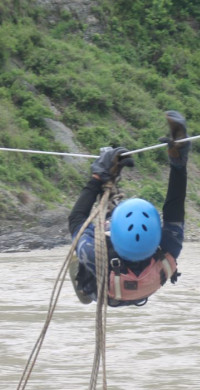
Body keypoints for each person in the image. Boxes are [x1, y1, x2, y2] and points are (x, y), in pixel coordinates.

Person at [68, 110, 191, 306]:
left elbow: (76, 221)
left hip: (104, 292)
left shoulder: (94, 255)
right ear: (156, 235)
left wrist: (98, 177)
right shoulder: (168, 250)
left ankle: (84, 291)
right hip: (140, 289)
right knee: (87, 239)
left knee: (77, 259)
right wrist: (179, 163)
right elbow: (174, 207)